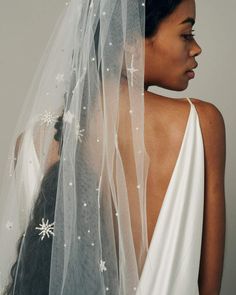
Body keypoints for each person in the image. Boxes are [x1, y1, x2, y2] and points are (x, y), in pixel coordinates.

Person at [0, 0, 226, 294]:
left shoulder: (33, 145)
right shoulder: (201, 124)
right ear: (131, 43)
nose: (196, 48)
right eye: (186, 34)